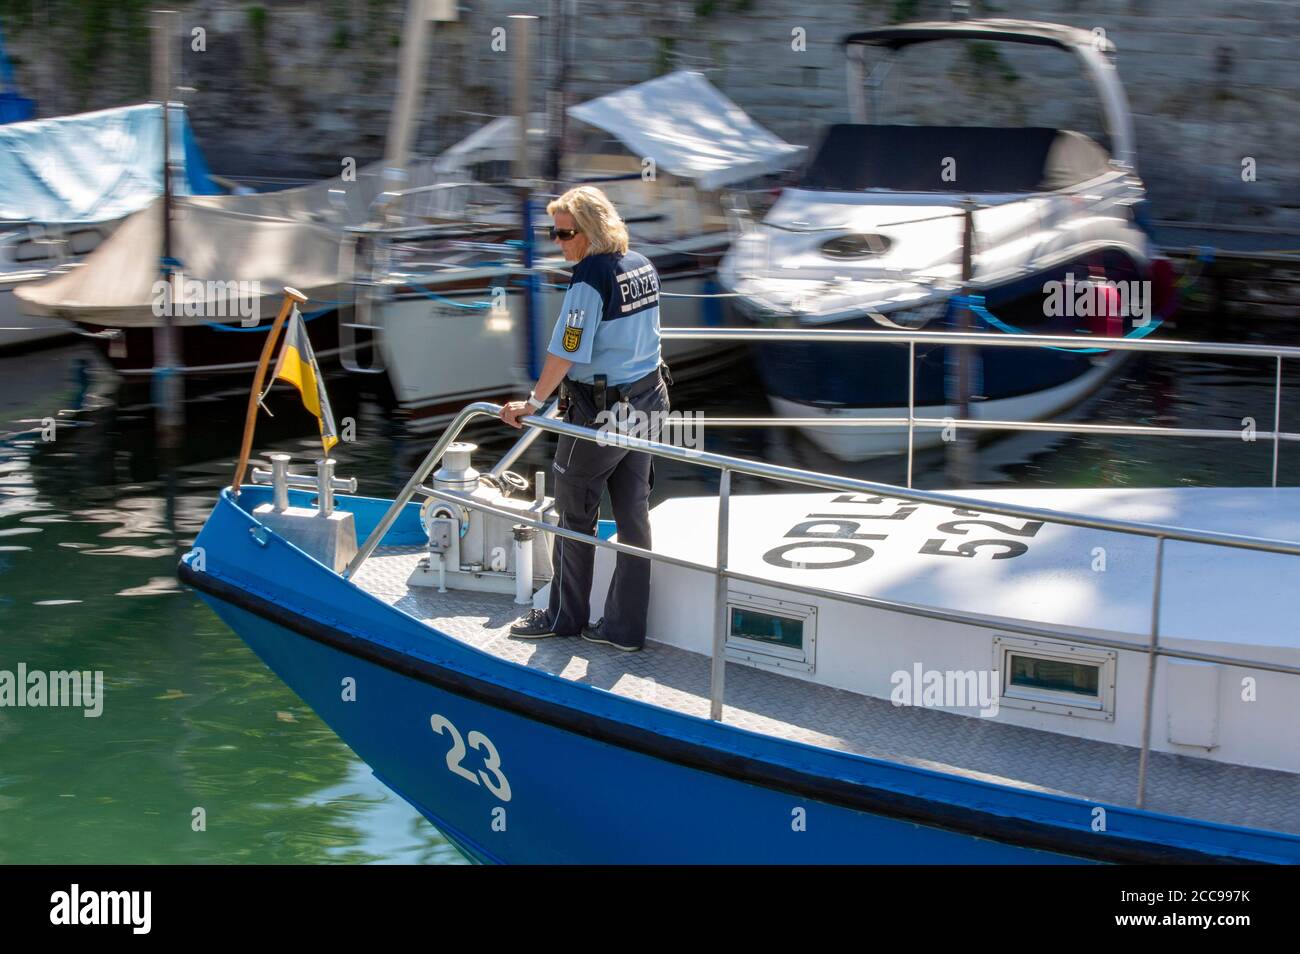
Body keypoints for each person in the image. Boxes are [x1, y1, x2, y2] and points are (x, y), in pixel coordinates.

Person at [499, 186, 670, 652]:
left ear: (589, 232)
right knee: (634, 515)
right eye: (553, 233)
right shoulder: (641, 265)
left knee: (573, 515)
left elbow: (566, 349)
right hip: (648, 401)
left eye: (564, 233)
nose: (558, 242)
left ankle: (563, 617)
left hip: (600, 415)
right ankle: (624, 629)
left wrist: (533, 404)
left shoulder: (589, 278)